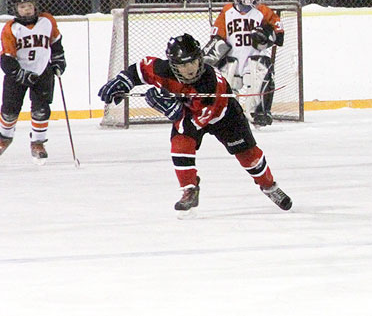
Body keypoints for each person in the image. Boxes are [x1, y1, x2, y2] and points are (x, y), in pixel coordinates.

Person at [98, 33, 292, 215]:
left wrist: (171, 109)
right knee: (180, 144)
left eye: (193, 61)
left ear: (200, 59)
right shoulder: (162, 70)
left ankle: (269, 186)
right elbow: (141, 69)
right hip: (190, 113)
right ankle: (189, 189)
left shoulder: (210, 84)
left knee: (250, 157)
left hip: (224, 116)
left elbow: (193, 122)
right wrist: (123, 81)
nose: (189, 68)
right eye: (183, 64)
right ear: (173, 65)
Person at [203, 0, 284, 127]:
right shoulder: (227, 11)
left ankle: (259, 113)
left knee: (259, 83)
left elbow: (279, 36)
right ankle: (227, 117)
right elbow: (217, 37)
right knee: (227, 92)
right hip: (232, 59)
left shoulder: (262, 10)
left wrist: (266, 35)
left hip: (254, 59)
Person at [0, 0, 66, 161]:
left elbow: (56, 44)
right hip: (18, 74)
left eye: (29, 6)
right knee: (9, 112)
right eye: (22, 7)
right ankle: (4, 137)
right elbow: (6, 58)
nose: (27, 10)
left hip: (43, 72)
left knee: (41, 110)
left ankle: (38, 142)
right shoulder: (11, 28)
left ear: (35, 6)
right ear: (16, 9)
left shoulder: (47, 21)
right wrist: (19, 74)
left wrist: (58, 61)